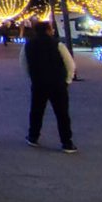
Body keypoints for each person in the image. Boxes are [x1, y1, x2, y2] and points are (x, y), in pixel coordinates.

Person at [21, 21, 76, 153]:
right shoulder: (58, 44)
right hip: (57, 83)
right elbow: (70, 64)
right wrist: (68, 80)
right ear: (48, 30)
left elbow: (23, 64)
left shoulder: (28, 45)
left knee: (36, 111)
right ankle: (66, 142)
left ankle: (33, 137)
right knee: (62, 113)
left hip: (39, 83)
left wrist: (32, 77)